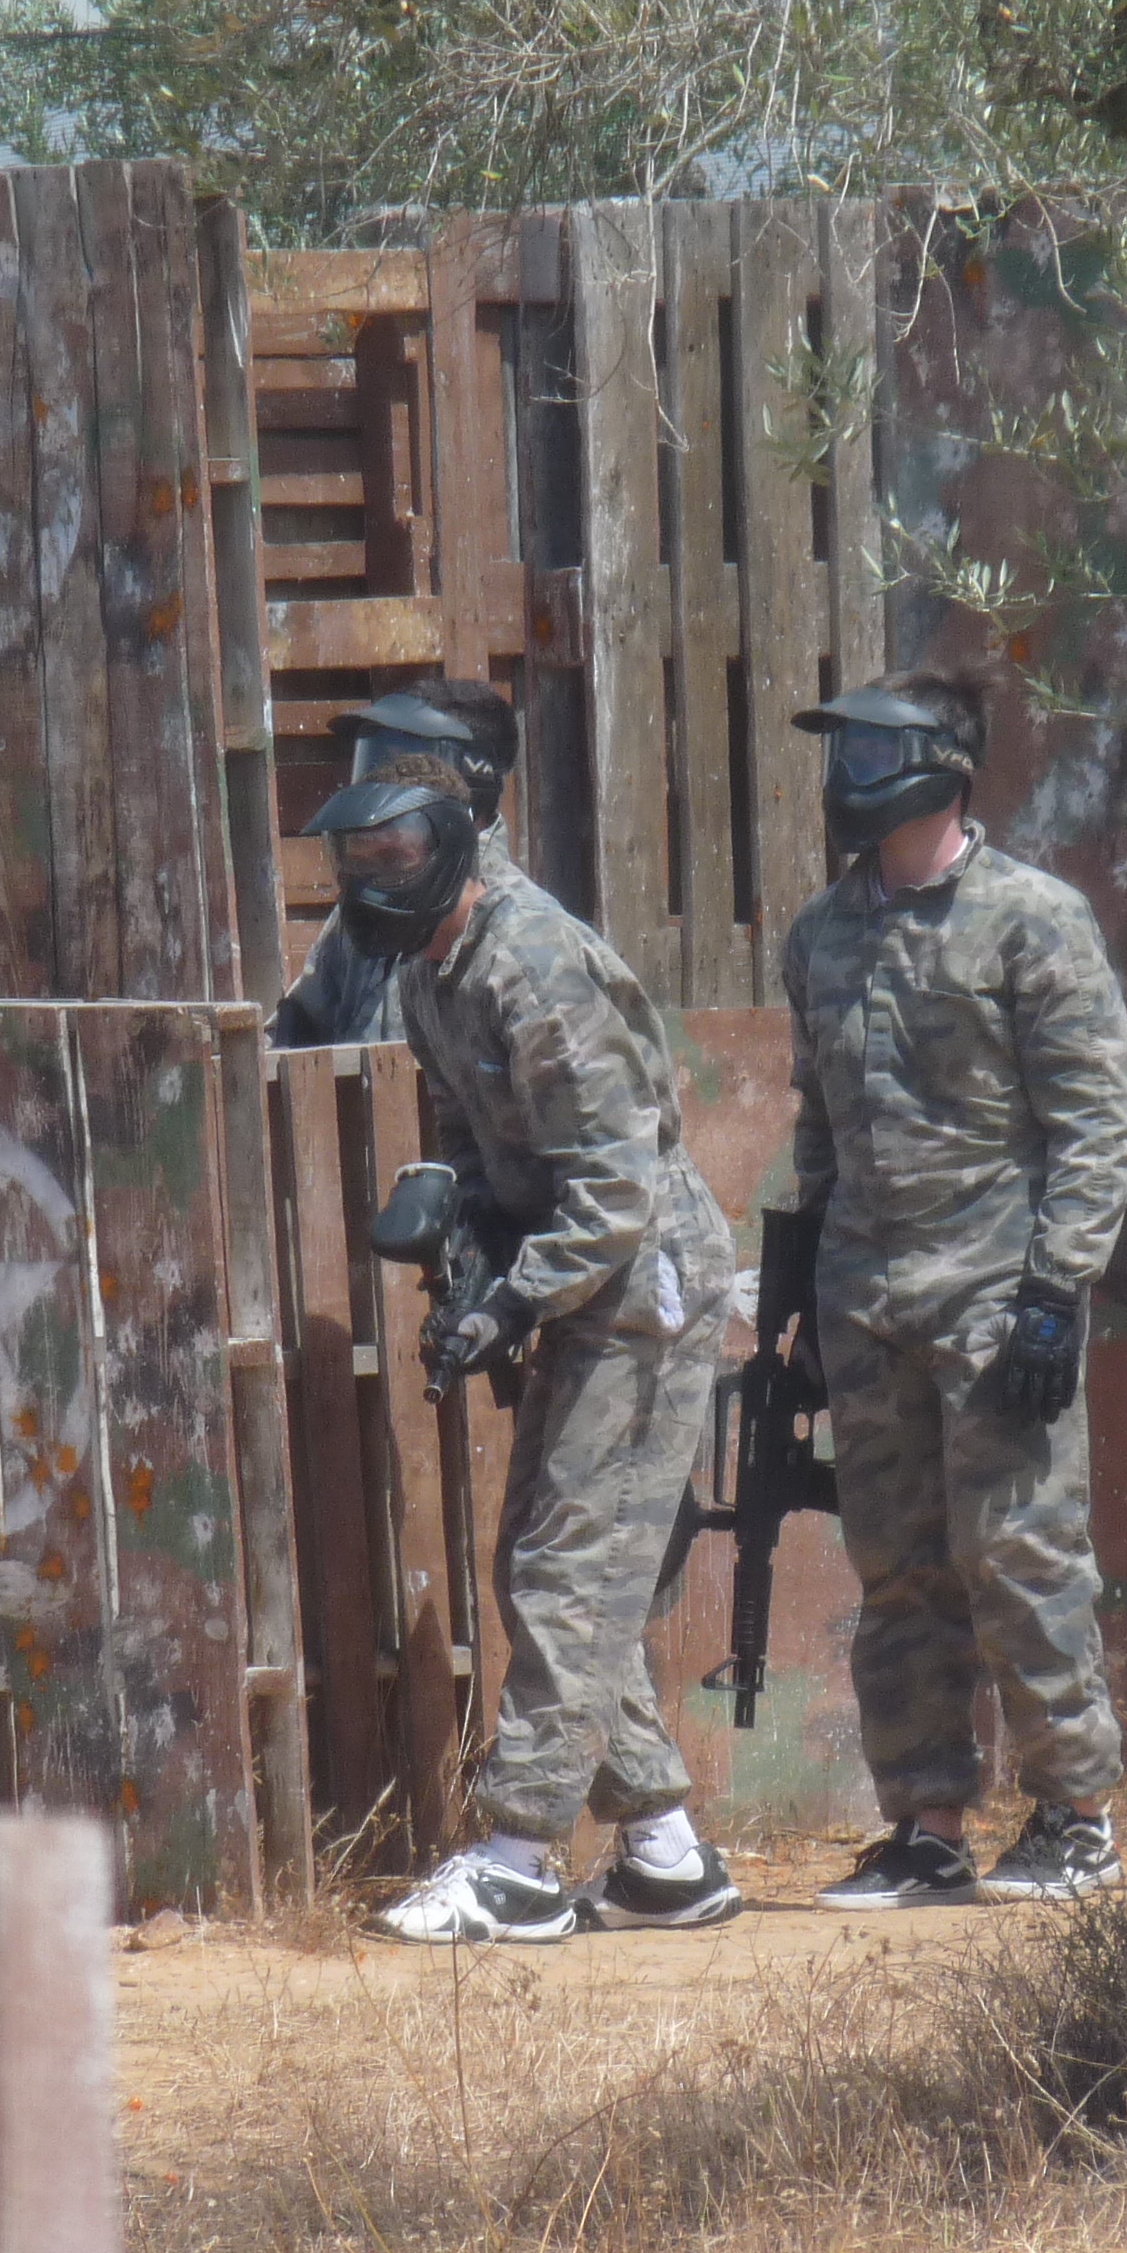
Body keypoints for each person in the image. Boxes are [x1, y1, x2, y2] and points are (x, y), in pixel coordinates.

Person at [318, 752, 745, 1942]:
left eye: (396, 857)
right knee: (546, 1566)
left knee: (569, 1567)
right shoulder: (429, 971)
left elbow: (614, 1186)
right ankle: (664, 1856)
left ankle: (517, 1863)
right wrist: (476, 1249)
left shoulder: (531, 963)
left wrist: (516, 1300)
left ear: (451, 847)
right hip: (577, 1276)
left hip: (640, 1280)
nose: (374, 880)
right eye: (357, 861)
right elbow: (470, 1134)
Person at [781, 672, 1127, 1907]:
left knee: (1021, 1552)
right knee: (897, 1569)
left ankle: (1075, 1817)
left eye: (873, 752)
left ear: (945, 768)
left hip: (997, 1293)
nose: (850, 777)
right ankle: (928, 1826)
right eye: (844, 753)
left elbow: (1095, 1122)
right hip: (865, 1296)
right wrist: (801, 1294)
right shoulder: (821, 933)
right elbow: (819, 1127)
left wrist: (1057, 1288)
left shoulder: (1032, 919)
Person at [269, 681, 521, 1049]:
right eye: (376, 764)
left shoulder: (510, 927)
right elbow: (297, 1025)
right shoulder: (364, 905)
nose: (382, 787)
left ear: (468, 783)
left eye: (405, 766)